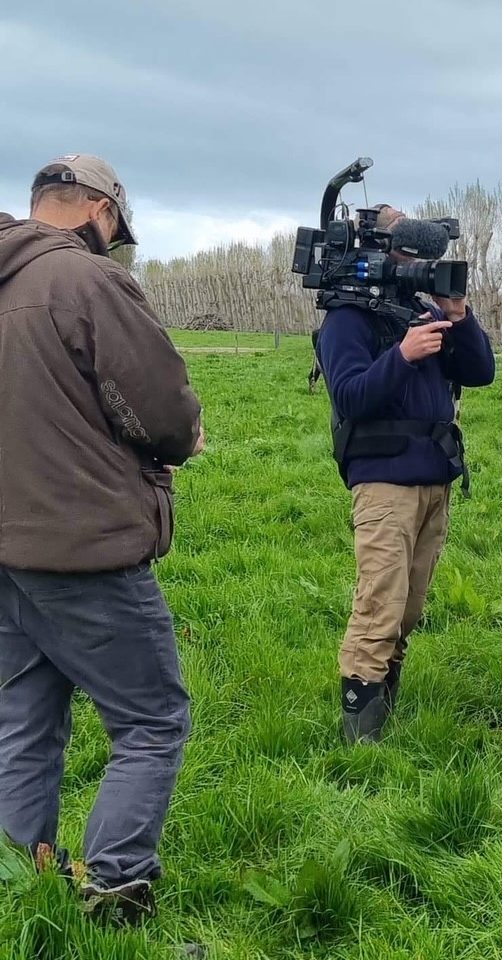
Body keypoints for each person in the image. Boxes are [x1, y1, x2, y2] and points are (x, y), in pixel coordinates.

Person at [0, 154, 204, 923]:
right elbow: (162, 409)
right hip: (78, 544)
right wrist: (185, 437)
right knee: (152, 719)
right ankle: (117, 894)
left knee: (25, 717)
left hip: (6, 547)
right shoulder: (87, 281)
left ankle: (23, 886)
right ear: (99, 211)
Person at [315, 204, 495, 744]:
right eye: (407, 252)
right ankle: (359, 738)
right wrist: (404, 354)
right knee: (380, 605)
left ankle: (385, 698)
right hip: (384, 482)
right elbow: (350, 395)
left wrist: (457, 315)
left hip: (434, 479)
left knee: (410, 608)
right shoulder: (347, 317)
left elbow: (481, 371)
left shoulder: (420, 310)